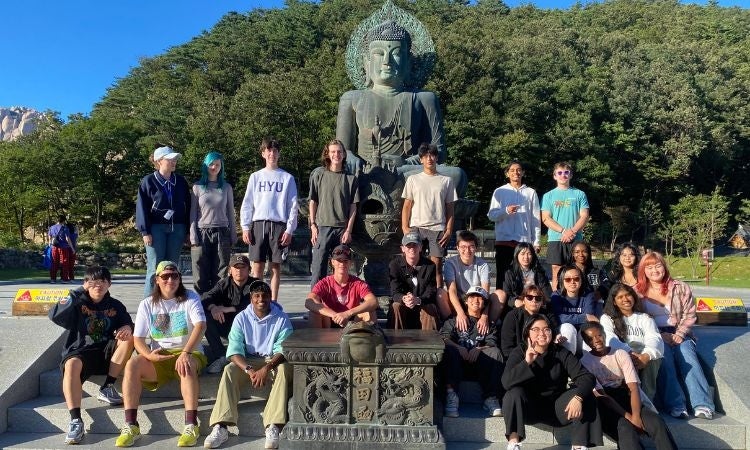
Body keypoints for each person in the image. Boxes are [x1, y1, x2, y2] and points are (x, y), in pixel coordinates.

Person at [336, 19, 466, 195]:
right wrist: (350, 157)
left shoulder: (423, 99)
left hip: (406, 173)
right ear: (366, 62)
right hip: (366, 172)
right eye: (379, 53)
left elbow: (439, 151)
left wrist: (406, 163)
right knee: (322, 174)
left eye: (396, 53)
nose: (387, 61)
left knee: (456, 175)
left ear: (408, 62)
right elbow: (340, 149)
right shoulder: (352, 98)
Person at [115, 261, 207, 447]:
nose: (170, 280)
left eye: (174, 276)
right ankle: (131, 425)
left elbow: (200, 325)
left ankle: (191, 425)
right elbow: (138, 338)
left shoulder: (190, 297)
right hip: (160, 356)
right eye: (165, 276)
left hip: (190, 352)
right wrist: (149, 356)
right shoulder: (147, 304)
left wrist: (186, 352)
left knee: (186, 364)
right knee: (132, 364)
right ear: (157, 280)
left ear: (179, 278)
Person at [48, 266, 134, 445]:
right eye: (92, 282)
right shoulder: (77, 303)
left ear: (109, 284)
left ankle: (108, 386)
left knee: (129, 339)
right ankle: (76, 420)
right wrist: (78, 292)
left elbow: (129, 324)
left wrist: (127, 327)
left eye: (102, 281)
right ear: (85, 284)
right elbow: (54, 315)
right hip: (81, 351)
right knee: (71, 365)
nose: (98, 286)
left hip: (107, 352)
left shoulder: (116, 305)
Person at [203, 280, 292, 450]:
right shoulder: (241, 318)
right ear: (251, 298)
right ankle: (221, 426)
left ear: (270, 297)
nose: (261, 299)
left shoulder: (281, 318)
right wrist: (249, 369)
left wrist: (266, 368)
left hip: (271, 360)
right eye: (257, 296)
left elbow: (283, 349)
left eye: (265, 296)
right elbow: (234, 350)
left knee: (284, 369)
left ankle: (273, 424)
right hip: (248, 360)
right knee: (229, 369)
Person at [501, 314, 601, 450]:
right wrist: (527, 362)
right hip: (528, 409)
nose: (541, 333)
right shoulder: (519, 352)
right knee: (513, 393)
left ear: (552, 333)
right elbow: (506, 382)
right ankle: (513, 443)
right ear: (527, 334)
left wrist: (578, 397)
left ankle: (579, 446)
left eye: (546, 329)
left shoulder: (561, 352)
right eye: (535, 329)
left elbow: (587, 377)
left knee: (585, 394)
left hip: (557, 409)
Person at [635, 251, 715, 420]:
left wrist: (679, 334)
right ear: (643, 270)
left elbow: (690, 314)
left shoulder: (680, 287)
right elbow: (636, 320)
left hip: (680, 332)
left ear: (664, 267)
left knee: (689, 358)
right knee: (666, 362)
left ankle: (702, 404)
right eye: (649, 267)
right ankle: (677, 405)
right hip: (654, 335)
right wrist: (659, 334)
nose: (654, 270)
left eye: (658, 266)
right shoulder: (637, 292)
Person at [580, 322, 677, 450]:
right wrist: (631, 418)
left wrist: (636, 415)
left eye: (599, 335)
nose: (596, 340)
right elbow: (603, 397)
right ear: (586, 342)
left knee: (656, 422)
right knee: (626, 428)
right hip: (607, 405)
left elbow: (633, 387)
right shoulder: (585, 362)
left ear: (604, 334)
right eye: (590, 338)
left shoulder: (620, 354)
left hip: (628, 398)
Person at [240, 138, 299, 302]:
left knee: (275, 267)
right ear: (263, 153)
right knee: (257, 267)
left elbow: (292, 206)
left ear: (278, 154)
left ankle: (273, 302)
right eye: (268, 150)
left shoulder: (287, 178)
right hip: (258, 224)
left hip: (279, 225)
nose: (272, 153)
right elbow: (248, 203)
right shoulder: (255, 177)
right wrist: (245, 226)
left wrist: (289, 229)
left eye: (275, 150)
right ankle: (256, 301)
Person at [440, 286, 503, 418]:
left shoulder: (489, 325)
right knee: (449, 350)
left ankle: (491, 398)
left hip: (479, 366)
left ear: (484, 303)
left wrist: (479, 349)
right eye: (472, 297)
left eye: (480, 298)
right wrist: (459, 348)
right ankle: (451, 396)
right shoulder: (453, 321)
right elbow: (443, 338)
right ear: (466, 301)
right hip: (457, 364)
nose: (476, 300)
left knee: (495, 352)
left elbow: (493, 342)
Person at [136, 146, 191, 297]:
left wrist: (187, 231)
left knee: (172, 268)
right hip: (155, 229)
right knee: (155, 268)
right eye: (170, 159)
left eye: (175, 159)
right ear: (159, 161)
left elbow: (188, 206)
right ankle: (149, 306)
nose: (174, 162)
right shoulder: (148, 181)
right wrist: (145, 231)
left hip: (178, 228)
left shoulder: (180, 182)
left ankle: (170, 302)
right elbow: (142, 207)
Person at [401, 143, 457, 288]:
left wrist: (449, 229)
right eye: (425, 156)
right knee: (413, 263)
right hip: (416, 227)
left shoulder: (447, 181)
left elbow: (450, 207)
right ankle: (411, 294)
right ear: (420, 159)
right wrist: (405, 227)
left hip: (438, 227)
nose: (429, 159)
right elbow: (407, 205)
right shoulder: (413, 179)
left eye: (432, 155)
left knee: (436, 266)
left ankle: (438, 297)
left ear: (436, 157)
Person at [308, 139, 359, 288]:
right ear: (328, 154)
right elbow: (313, 202)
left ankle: (338, 303)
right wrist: (313, 225)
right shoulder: (319, 175)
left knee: (341, 270)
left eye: (339, 151)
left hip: (342, 230)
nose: (336, 154)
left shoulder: (351, 179)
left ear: (344, 154)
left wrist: (348, 230)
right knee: (318, 270)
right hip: (322, 228)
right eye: (333, 152)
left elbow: (353, 206)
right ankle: (315, 305)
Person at [600, 284, 663, 401]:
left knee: (654, 357)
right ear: (614, 302)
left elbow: (654, 338)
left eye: (628, 295)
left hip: (642, 357)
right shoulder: (607, 318)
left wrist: (646, 356)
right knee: (634, 345)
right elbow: (609, 338)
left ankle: (647, 400)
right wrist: (629, 353)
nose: (625, 299)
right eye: (620, 297)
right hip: (620, 356)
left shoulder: (645, 317)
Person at [201, 254, 260, 374]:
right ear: (230, 270)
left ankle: (242, 356)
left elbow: (257, 304)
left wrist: (228, 309)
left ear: (249, 270)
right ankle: (221, 356)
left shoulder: (256, 284)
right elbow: (206, 297)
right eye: (236, 267)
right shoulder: (224, 283)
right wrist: (213, 308)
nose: (239, 271)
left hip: (249, 328)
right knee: (206, 318)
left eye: (243, 267)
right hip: (227, 326)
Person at [487, 161, 541, 287]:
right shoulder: (499, 191)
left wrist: (536, 241)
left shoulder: (531, 192)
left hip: (523, 242)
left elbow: (535, 219)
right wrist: (506, 211)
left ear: (523, 173)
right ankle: (502, 305)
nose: (515, 173)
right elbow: (492, 215)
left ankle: (521, 304)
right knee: (503, 276)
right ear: (507, 174)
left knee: (524, 277)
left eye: (518, 170)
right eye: (512, 170)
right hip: (504, 241)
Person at [190, 151, 237, 295]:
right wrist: (193, 235)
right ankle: (202, 303)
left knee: (221, 270)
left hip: (222, 232)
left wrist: (233, 234)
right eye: (211, 164)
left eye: (217, 164)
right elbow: (192, 213)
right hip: (202, 232)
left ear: (221, 167)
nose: (214, 167)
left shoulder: (226, 187)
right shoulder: (197, 187)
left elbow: (230, 212)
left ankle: (218, 301)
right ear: (206, 165)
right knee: (200, 271)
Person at [442, 230, 506, 334]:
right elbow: (452, 291)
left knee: (500, 294)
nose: (467, 250)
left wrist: (485, 316)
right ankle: (451, 326)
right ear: (457, 248)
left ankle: (486, 327)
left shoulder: (483, 265)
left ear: (476, 248)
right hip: (460, 301)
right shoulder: (450, 263)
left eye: (471, 246)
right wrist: (460, 313)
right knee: (440, 293)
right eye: (463, 247)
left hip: (477, 302)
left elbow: (485, 294)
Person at [540, 162, 590, 292]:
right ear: (554, 176)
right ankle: (556, 299)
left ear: (571, 175)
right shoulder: (548, 196)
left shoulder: (579, 194)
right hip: (556, 238)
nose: (563, 175)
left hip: (576, 239)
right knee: (557, 270)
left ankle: (579, 300)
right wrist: (563, 231)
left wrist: (572, 231)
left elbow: (584, 216)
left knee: (577, 270)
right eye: (560, 173)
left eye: (566, 172)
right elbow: (545, 218)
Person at [387, 231, 450, 330]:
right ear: (403, 248)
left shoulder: (430, 266)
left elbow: (431, 292)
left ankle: (431, 342)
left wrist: (417, 300)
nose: (412, 249)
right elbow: (394, 291)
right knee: (396, 306)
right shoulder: (394, 265)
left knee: (430, 307)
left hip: (421, 304)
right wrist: (404, 298)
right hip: (404, 304)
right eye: (408, 246)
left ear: (420, 247)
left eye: (415, 245)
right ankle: (395, 341)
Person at [305, 244, 378, 328]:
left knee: (370, 312)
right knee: (314, 312)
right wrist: (335, 315)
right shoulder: (325, 282)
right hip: (329, 320)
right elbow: (309, 301)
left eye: (345, 261)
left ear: (350, 263)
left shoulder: (358, 283)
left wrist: (347, 314)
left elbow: (373, 301)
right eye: (339, 260)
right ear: (332, 262)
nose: (342, 263)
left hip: (351, 322)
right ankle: (317, 340)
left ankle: (366, 340)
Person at [500, 285, 561, 359]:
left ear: (542, 302)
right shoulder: (512, 316)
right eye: (529, 297)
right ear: (523, 300)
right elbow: (507, 347)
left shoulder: (548, 315)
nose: (534, 300)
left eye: (538, 298)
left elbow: (555, 330)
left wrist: (557, 335)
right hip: (519, 359)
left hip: (544, 357)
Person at [550, 265, 597, 356]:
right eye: (568, 279)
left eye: (576, 279)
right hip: (565, 332)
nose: (572, 282)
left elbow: (590, 318)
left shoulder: (588, 295)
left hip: (581, 333)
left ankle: (588, 365)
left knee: (588, 330)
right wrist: (584, 317)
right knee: (568, 327)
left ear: (581, 280)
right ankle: (568, 363)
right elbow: (559, 318)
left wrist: (583, 318)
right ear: (562, 281)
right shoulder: (556, 296)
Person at [501, 242, 552, 309]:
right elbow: (507, 294)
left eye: (529, 254)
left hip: (536, 303)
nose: (526, 257)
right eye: (522, 254)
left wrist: (542, 302)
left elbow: (547, 291)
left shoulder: (539, 271)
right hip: (518, 306)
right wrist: (514, 301)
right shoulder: (510, 272)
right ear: (517, 255)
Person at [570, 242, 610, 314]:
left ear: (589, 253)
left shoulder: (597, 271)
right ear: (572, 254)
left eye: (584, 251)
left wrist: (600, 292)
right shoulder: (566, 271)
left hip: (596, 305)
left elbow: (606, 284)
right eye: (577, 252)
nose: (581, 254)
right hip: (573, 305)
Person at [48, 214, 75, 283]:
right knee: (64, 262)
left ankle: (53, 279)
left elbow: (49, 238)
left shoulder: (52, 227)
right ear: (64, 220)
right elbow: (67, 238)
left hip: (54, 247)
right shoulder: (64, 228)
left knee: (54, 262)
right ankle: (64, 279)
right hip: (63, 247)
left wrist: (50, 245)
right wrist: (72, 248)